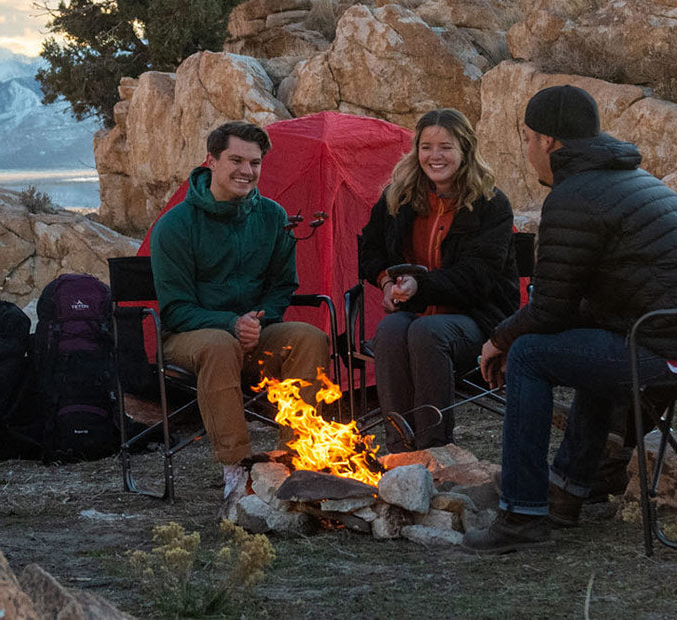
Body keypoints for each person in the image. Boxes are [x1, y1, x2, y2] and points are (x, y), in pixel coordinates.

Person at [462, 86, 677, 554]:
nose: (526, 149)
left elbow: (550, 309)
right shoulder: (628, 179)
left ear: (549, 142)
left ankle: (520, 513)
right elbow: (578, 305)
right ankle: (565, 493)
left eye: (526, 137)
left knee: (528, 355)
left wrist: (498, 340)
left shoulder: (575, 195)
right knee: (588, 346)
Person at [147, 121, 333, 514]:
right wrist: (232, 323)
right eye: (235, 160)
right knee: (218, 344)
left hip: (252, 332)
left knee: (308, 337)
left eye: (255, 162)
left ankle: (298, 456)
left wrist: (259, 321)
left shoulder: (272, 216)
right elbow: (175, 309)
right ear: (211, 161)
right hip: (191, 336)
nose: (246, 171)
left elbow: (283, 286)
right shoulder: (175, 226)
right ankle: (238, 469)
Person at [355, 108, 518, 449]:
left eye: (445, 147)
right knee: (389, 329)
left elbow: (479, 277)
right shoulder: (397, 197)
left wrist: (421, 287)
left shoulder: (490, 204)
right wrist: (387, 281)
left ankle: (434, 450)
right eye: (426, 146)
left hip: (477, 317)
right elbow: (369, 251)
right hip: (415, 314)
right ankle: (399, 450)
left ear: (465, 150)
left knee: (427, 332)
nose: (435, 156)